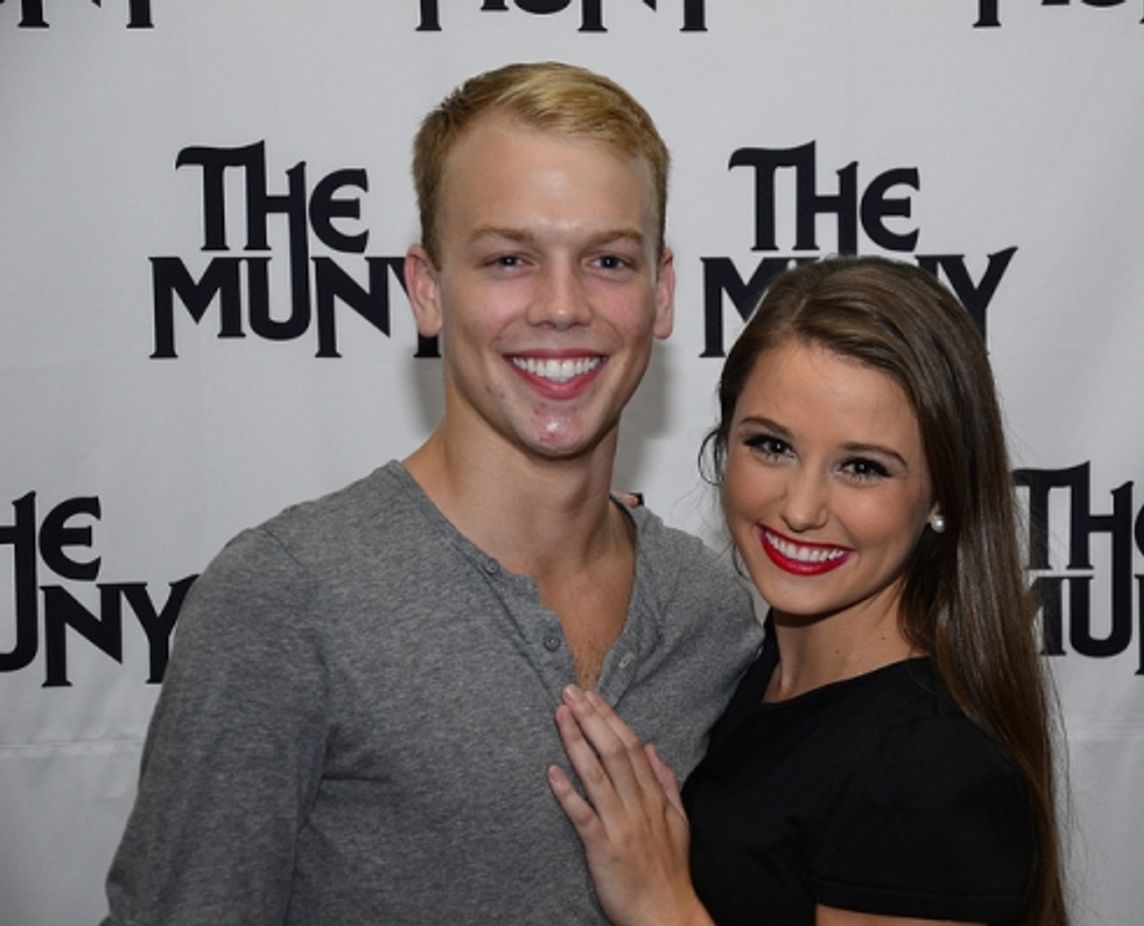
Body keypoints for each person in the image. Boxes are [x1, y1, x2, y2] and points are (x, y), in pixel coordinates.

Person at [101, 62, 761, 925]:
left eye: (608, 260)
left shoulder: (710, 613)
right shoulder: (288, 598)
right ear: (426, 289)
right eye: (509, 259)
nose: (562, 306)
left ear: (661, 293)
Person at [548, 256, 1069, 926]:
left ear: (943, 493)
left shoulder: (928, 768)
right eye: (772, 447)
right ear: (725, 442)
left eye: (862, 467)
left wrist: (659, 905)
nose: (800, 508)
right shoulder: (763, 668)